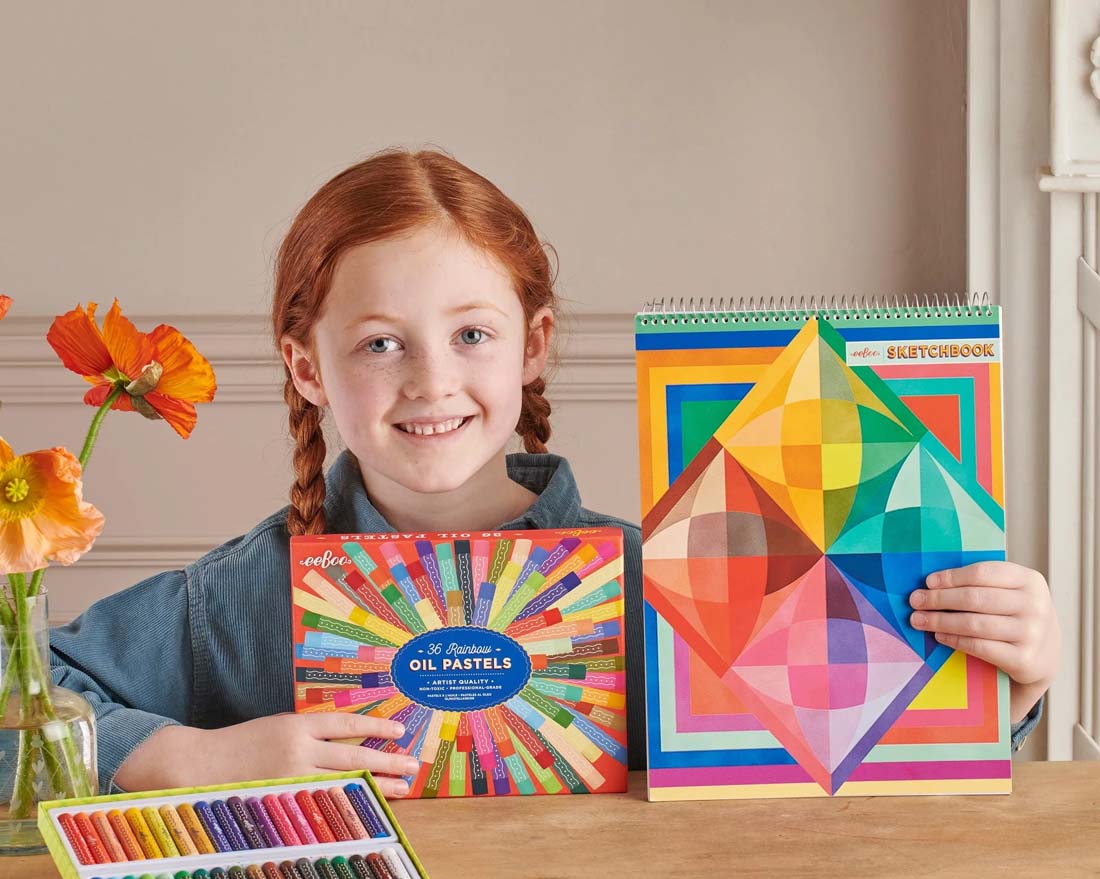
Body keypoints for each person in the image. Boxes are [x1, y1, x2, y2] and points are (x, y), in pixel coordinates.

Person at [48, 149, 1058, 798]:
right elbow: (18, 705)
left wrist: (1003, 686)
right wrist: (193, 755)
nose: (431, 381)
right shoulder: (235, 601)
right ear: (307, 368)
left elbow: (846, 773)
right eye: (380, 344)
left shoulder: (667, 581)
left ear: (531, 344)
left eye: (471, 333)